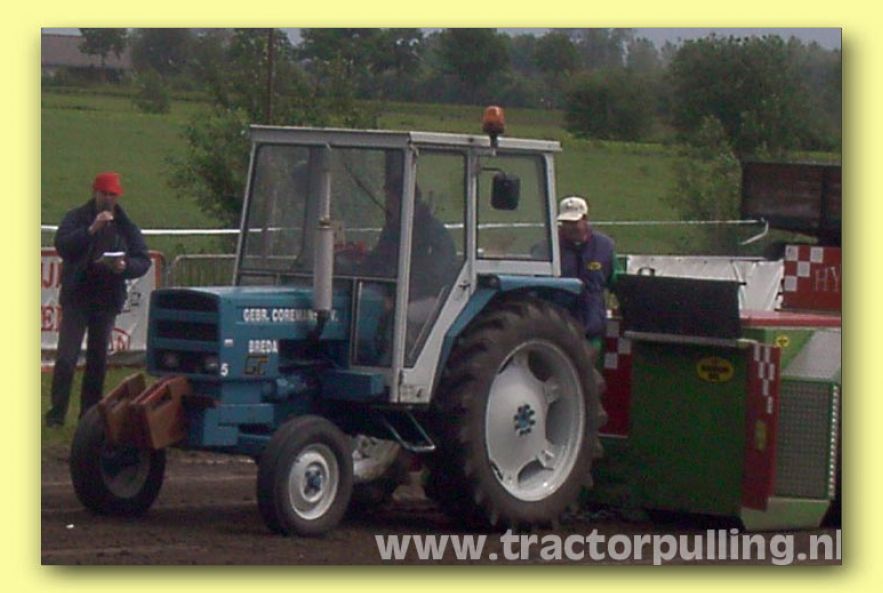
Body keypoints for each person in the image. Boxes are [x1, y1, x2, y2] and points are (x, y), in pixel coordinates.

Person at [44, 172, 151, 427]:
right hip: (77, 297)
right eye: (104, 194)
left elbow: (142, 258)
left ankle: (89, 415)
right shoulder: (77, 218)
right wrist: (91, 230)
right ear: (95, 193)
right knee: (66, 358)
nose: (108, 199)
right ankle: (56, 414)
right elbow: (63, 245)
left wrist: (124, 266)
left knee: (98, 360)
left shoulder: (125, 224)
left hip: (106, 299)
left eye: (113, 195)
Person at [557, 196, 618, 346]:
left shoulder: (604, 247)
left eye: (574, 222)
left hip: (592, 334)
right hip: (558, 334)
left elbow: (616, 281)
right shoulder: (548, 250)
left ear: (585, 219)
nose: (569, 227)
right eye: (566, 223)